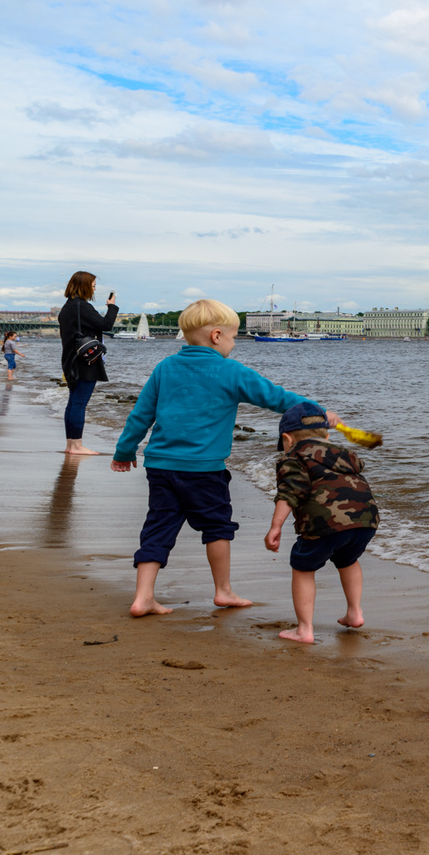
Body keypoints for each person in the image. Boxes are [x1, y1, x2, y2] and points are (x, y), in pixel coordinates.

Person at [110, 299, 337, 618]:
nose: (233, 343)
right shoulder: (230, 371)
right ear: (217, 336)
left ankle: (143, 596)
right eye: (232, 337)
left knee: (158, 527)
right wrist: (316, 411)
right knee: (217, 527)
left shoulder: (165, 368)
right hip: (204, 469)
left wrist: (124, 451)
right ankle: (223, 590)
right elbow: (275, 397)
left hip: (160, 466)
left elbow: (141, 415)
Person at [265, 402, 380, 644]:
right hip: (366, 520)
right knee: (348, 560)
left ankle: (304, 629)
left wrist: (275, 527)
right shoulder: (345, 455)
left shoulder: (294, 456)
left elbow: (290, 492)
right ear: (327, 436)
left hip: (326, 523)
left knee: (303, 566)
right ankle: (355, 612)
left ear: (287, 438)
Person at [59, 271, 118, 454]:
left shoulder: (66, 307)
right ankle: (76, 446)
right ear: (84, 286)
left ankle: (71, 444)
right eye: (93, 285)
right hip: (85, 361)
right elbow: (105, 325)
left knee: (73, 402)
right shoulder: (83, 307)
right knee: (79, 403)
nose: (94, 288)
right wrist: (112, 307)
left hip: (70, 360)